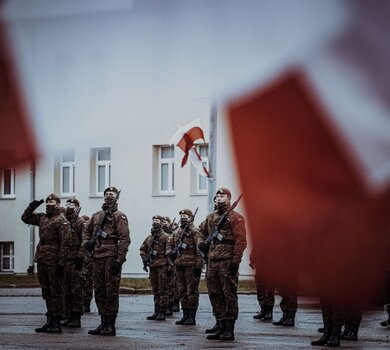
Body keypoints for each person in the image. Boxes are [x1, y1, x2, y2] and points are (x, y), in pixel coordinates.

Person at [198, 187, 247, 341]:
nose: (219, 197)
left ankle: (229, 329)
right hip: (212, 261)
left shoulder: (235, 217)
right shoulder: (211, 217)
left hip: (227, 262)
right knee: (214, 294)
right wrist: (201, 244)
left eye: (222, 195)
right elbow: (200, 232)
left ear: (229, 198)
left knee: (228, 295)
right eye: (217, 195)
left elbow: (241, 241)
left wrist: (236, 261)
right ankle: (220, 324)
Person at [83, 187, 131, 336]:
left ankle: (110, 324)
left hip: (111, 256)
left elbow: (124, 239)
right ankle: (103, 322)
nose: (108, 196)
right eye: (106, 194)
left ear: (116, 198)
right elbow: (86, 231)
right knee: (99, 290)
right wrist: (87, 243)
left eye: (111, 194)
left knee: (111, 291)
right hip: (97, 256)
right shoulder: (96, 216)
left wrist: (119, 260)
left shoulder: (119, 216)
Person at [21, 193, 71, 333]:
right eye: (47, 202)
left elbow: (65, 243)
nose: (49, 204)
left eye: (52, 202)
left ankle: (57, 321)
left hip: (54, 261)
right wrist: (31, 207)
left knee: (56, 291)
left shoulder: (61, 220)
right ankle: (49, 320)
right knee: (46, 291)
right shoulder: (42, 217)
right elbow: (25, 218)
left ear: (58, 204)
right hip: (42, 259)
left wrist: (61, 263)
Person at [168, 209, 203, 325]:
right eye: (181, 216)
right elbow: (169, 243)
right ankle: (185, 314)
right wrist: (170, 254)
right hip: (179, 265)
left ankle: (191, 316)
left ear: (191, 217)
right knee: (182, 290)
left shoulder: (195, 232)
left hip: (191, 265)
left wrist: (198, 266)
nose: (183, 218)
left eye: (185, 216)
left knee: (191, 291)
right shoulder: (177, 232)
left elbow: (199, 250)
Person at [61, 198, 86, 328]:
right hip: (65, 260)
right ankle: (67, 315)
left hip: (76, 260)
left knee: (76, 290)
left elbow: (85, 240)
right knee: (66, 290)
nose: (69, 206)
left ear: (77, 207)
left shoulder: (80, 222)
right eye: (67, 204)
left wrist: (80, 256)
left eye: (72, 204)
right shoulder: (64, 221)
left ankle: (76, 317)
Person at [140, 215, 171, 321]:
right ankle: (156, 310)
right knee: (155, 290)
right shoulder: (149, 238)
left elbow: (169, 252)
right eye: (153, 220)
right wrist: (145, 258)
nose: (155, 222)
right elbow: (142, 249)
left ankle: (162, 311)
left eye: (157, 220)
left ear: (162, 222)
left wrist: (170, 267)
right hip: (153, 266)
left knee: (163, 290)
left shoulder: (166, 237)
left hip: (162, 266)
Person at [249, 250, 274, 321]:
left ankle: (269, 312)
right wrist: (252, 259)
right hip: (259, 265)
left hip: (271, 265)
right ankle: (263, 310)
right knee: (260, 289)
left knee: (269, 290)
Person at [162, 216, 180, 315]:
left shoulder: (173, 233)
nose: (164, 223)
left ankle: (174, 303)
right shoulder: (158, 234)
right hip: (162, 262)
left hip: (172, 262)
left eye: (166, 222)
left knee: (173, 285)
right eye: (163, 222)